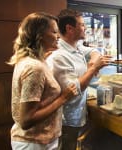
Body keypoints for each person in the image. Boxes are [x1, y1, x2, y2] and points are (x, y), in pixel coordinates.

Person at [7, 12, 78, 150]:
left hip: (40, 141)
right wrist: (63, 98)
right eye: (54, 32)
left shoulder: (33, 61)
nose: (58, 36)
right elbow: (26, 120)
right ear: (39, 35)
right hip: (35, 142)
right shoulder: (35, 67)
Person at [46, 9, 111, 150]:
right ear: (69, 28)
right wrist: (93, 69)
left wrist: (93, 62)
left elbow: (95, 52)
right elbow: (72, 90)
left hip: (79, 114)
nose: (85, 28)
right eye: (82, 25)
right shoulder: (59, 55)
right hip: (66, 119)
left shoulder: (76, 46)